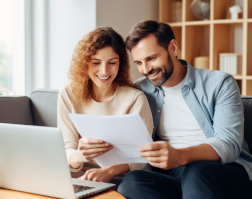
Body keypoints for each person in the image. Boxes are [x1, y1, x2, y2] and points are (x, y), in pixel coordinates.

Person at [117, 20, 252, 199]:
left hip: (223, 171)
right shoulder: (141, 90)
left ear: (173, 48)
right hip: (174, 174)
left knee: (196, 171)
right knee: (132, 182)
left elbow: (229, 144)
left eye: (151, 58)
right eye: (139, 63)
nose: (146, 69)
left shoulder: (220, 83)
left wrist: (179, 156)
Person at [57, 27, 154, 183]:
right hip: (76, 179)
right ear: (84, 63)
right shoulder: (67, 94)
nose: (104, 71)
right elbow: (67, 147)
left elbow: (141, 156)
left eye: (112, 63)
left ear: (120, 64)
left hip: (120, 179)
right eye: (96, 63)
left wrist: (109, 171)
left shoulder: (135, 98)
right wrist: (79, 156)